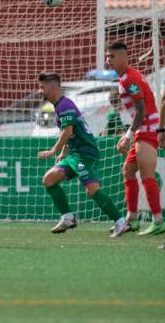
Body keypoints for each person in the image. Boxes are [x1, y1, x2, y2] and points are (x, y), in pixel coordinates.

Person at [36, 72, 128, 237]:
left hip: (85, 153)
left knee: (92, 190)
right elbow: (71, 132)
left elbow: (68, 131)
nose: (39, 91)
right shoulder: (60, 105)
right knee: (49, 179)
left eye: (42, 87)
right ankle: (68, 217)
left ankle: (120, 221)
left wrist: (54, 150)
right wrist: (64, 152)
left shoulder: (64, 105)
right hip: (74, 154)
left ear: (52, 87)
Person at [106, 42, 163, 235]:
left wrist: (128, 135)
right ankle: (132, 218)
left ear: (124, 57)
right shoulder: (127, 77)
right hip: (142, 129)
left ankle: (158, 220)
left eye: (112, 56)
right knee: (128, 171)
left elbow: (141, 110)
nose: (108, 60)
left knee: (147, 175)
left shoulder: (129, 78)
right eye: (108, 56)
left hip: (147, 129)